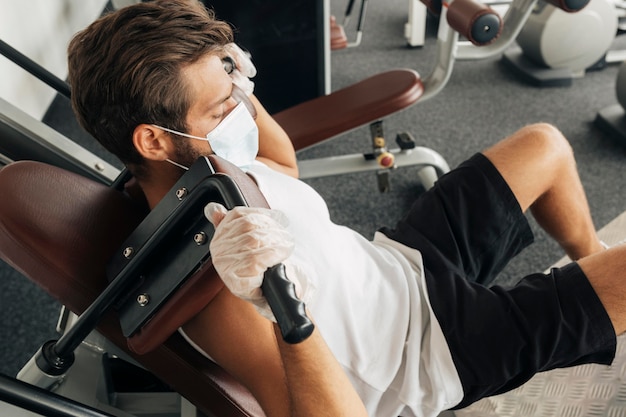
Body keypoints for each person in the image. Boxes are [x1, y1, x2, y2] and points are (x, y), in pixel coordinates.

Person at [66, 1, 625, 416]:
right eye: (221, 107)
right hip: (430, 353)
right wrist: (281, 307)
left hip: (400, 267)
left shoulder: (209, 167)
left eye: (238, 83)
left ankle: (587, 267)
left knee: (544, 145)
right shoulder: (212, 283)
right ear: (154, 141)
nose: (241, 107)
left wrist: (230, 79)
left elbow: (281, 163)